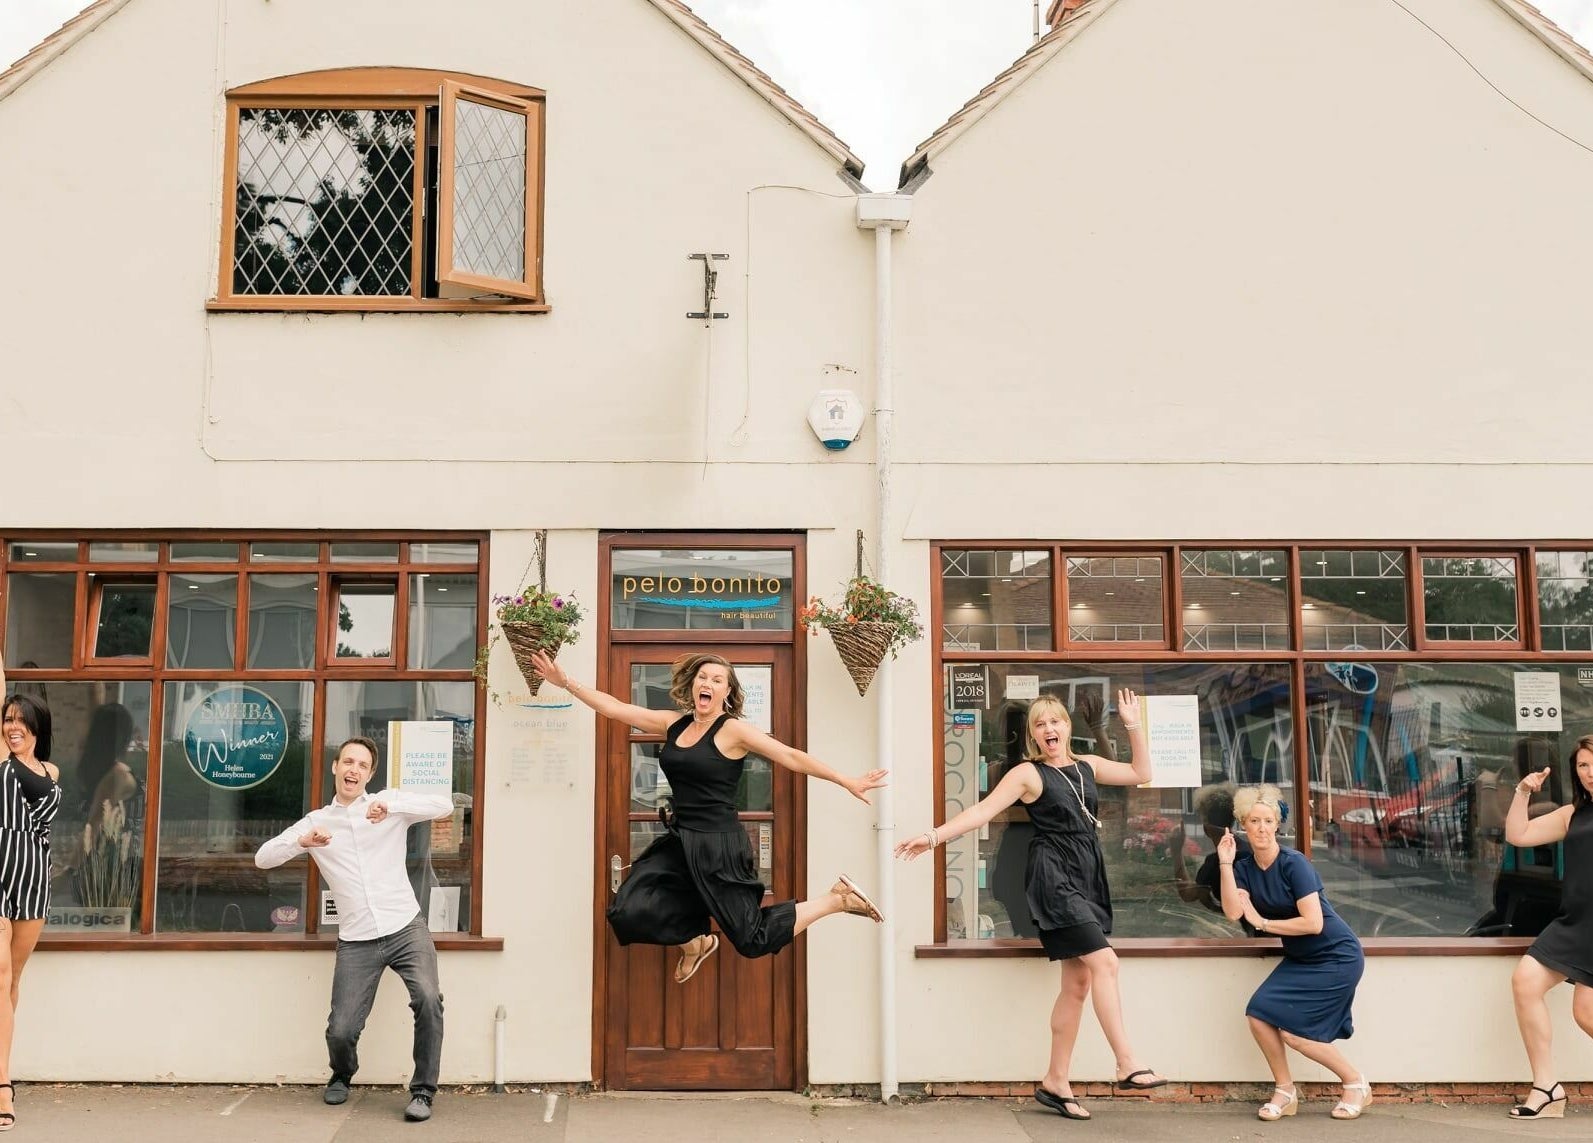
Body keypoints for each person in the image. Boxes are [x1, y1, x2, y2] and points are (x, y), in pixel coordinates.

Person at [529, 649, 887, 984]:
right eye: (703, 677)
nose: (708, 684)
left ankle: (837, 899)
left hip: (719, 845)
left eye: (718, 680)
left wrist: (845, 780)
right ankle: (695, 943)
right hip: (681, 839)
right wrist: (567, 683)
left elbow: (790, 756)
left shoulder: (733, 730)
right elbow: (615, 708)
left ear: (727, 693)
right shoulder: (674, 723)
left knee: (752, 939)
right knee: (631, 909)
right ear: (693, 685)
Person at [897, 690, 1167, 1121]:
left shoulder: (1088, 766)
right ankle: (1127, 1062)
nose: (1049, 730)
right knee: (1106, 964)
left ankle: (1056, 1082)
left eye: (1055, 721)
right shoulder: (1027, 774)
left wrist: (1132, 724)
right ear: (1033, 736)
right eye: (1040, 725)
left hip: (1087, 874)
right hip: (1053, 877)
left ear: (1067, 727)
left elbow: (1141, 771)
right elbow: (982, 812)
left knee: (1077, 983)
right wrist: (932, 837)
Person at [255, 736, 452, 1123]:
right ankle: (342, 1074)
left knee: (429, 1000)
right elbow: (263, 858)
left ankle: (423, 1092)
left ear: (370, 774)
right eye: (348, 762)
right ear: (335, 767)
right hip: (357, 939)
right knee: (341, 1029)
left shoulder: (387, 805)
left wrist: (391, 803)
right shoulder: (316, 822)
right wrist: (302, 842)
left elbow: (444, 805)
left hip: (405, 926)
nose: (353, 770)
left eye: (362, 766)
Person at [1216, 784, 1369, 1121]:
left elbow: (1313, 923)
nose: (1261, 828)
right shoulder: (1243, 867)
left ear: (1277, 825)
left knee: (1296, 1033)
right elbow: (1232, 912)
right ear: (1243, 824)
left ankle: (1355, 1083)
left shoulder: (1293, 863)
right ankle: (1285, 1090)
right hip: (1302, 958)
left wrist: (1265, 923)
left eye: (1268, 821)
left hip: (1336, 955)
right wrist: (1225, 864)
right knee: (1259, 1014)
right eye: (1253, 821)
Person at [1502, 738, 1593, 1120]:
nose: (1590, 773)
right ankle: (1547, 1088)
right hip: (1576, 921)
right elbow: (1518, 835)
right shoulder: (1574, 814)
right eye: (1584, 766)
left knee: (1585, 1012)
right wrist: (1523, 791)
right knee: (1526, 981)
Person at [0, 691, 62, 1133]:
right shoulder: (1, 762)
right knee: (0, 976)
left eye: (21, 719)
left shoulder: (50, 771)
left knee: (12, 981)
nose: (13, 726)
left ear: (38, 726)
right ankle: (2, 1086)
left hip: (34, 878)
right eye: (7, 719)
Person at [1171, 781, 1253, 931]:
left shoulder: (1215, 862)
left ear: (1206, 828)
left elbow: (1188, 895)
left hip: (1238, 933)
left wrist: (1176, 852)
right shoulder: (1248, 851)